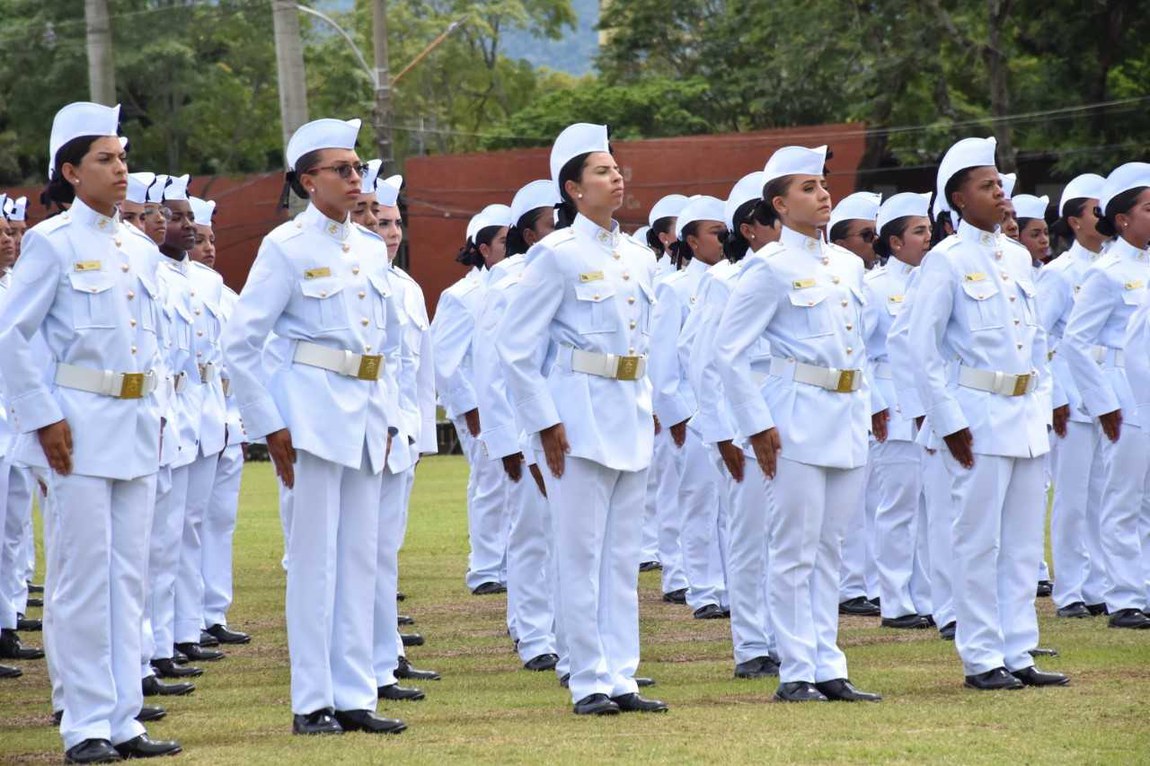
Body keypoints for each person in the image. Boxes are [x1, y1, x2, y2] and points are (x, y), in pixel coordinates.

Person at [0, 101, 182, 762]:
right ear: (71, 172)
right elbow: (12, 336)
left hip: (134, 423)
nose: (121, 169)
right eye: (105, 159)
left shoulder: (139, 247)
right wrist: (42, 415)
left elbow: (153, 344)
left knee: (128, 576)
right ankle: (83, 724)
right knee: (80, 578)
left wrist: (159, 410)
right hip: (74, 424)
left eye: (124, 157)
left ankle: (124, 717)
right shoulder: (52, 243)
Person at [222, 117, 407, 735]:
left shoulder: (372, 247)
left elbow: (386, 344)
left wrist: (389, 416)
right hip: (309, 418)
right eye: (342, 170)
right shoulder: (286, 246)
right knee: (312, 562)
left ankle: (355, 694)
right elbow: (241, 343)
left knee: (359, 558)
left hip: (365, 415)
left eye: (358, 168)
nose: (356, 180)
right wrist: (269, 423)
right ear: (308, 180)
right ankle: (311, 701)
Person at [497, 123, 666, 716]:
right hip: (576, 416)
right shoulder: (555, 256)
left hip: (628, 409)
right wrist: (543, 421)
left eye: (616, 167)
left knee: (622, 557)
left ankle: (623, 675)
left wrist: (650, 407)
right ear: (572, 188)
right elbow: (517, 348)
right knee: (579, 552)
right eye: (601, 170)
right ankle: (588, 678)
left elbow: (643, 346)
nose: (615, 176)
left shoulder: (641, 256)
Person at [715, 145, 881, 704]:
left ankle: (827, 662)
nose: (823, 193)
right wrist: (756, 425)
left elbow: (863, 347)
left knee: (831, 548)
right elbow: (728, 353)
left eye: (823, 184)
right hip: (793, 417)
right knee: (793, 550)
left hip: (846, 415)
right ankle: (796, 671)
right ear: (780, 206)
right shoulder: (768, 268)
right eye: (807, 188)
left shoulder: (849, 264)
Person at [908, 136, 1066, 690]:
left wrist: (1042, 405)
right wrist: (947, 421)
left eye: (1000, 184)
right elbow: (918, 349)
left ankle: (1019, 650)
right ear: (958, 198)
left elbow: (1039, 340)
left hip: (1024, 417)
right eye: (987, 186)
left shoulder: (1019, 256)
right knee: (977, 542)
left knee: (1024, 545)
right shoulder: (944, 262)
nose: (1000, 194)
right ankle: (980, 657)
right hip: (975, 416)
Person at [685, 170, 782, 678]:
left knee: (788, 541)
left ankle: (784, 637)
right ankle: (752, 646)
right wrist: (722, 436)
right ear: (751, 227)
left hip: (788, 423)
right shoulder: (725, 283)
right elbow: (702, 361)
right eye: (777, 221)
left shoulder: (798, 272)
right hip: (742, 434)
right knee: (748, 540)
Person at [475, 179, 561, 673]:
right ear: (529, 235)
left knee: (573, 540)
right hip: (528, 431)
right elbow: (493, 371)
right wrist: (510, 445)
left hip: (570, 424)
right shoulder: (507, 284)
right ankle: (533, 635)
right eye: (552, 224)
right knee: (531, 534)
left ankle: (567, 634)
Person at [1061, 162, 1150, 630]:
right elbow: (1076, 341)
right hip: (1122, 392)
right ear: (1122, 219)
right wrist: (1102, 403)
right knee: (1121, 500)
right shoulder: (1108, 271)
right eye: (1149, 208)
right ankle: (1124, 598)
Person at [367, 170, 442, 688]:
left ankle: (385, 653)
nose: (391, 231)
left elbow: (420, 371)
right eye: (379, 221)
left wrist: (421, 437)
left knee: (384, 552)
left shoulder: (408, 288)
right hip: (362, 430)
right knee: (359, 552)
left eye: (396, 223)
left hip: (402, 435)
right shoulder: (358, 281)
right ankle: (369, 660)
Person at [652, 195, 731, 620]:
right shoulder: (675, 288)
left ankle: (732, 586)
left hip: (732, 410)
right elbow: (664, 360)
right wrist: (678, 414)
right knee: (699, 501)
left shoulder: (739, 278)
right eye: (715, 234)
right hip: (695, 412)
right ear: (690, 240)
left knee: (733, 506)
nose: (723, 241)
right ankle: (703, 588)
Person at [431, 206, 514, 596]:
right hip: (480, 408)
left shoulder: (515, 283)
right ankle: (485, 568)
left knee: (515, 485)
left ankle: (510, 563)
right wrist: (472, 410)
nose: (511, 246)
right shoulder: (461, 296)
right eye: (503, 241)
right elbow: (445, 362)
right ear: (483, 249)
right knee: (489, 482)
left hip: (512, 404)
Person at [1037, 173, 1110, 619]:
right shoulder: (1060, 275)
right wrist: (1057, 396)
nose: (1103, 219)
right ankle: (1070, 590)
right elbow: (1040, 341)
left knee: (1109, 496)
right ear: (1075, 221)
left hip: (1113, 397)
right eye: (1095, 211)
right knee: (1072, 497)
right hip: (1075, 401)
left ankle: (1103, 584)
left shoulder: (1120, 267)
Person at [862, 192, 935, 629]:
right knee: (897, 507)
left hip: (929, 405)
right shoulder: (876, 288)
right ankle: (894, 600)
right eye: (918, 232)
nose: (928, 238)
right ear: (894, 242)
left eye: (928, 229)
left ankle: (926, 596)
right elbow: (860, 353)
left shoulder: (933, 280)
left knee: (930, 508)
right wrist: (875, 404)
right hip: (892, 407)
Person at [826, 191, 884, 618]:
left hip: (854, 405)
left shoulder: (855, 278)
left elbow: (860, 353)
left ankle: (860, 584)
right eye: (867, 236)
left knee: (858, 511)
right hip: (808, 410)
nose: (874, 244)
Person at [643, 193, 692, 604]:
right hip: (672, 397)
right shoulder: (663, 280)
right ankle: (676, 572)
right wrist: (667, 407)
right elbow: (659, 350)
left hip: (711, 401)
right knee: (672, 487)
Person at [1013, 195, 1052, 268]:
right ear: (1016, 236)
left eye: (1046, 233)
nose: (1044, 240)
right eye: (1035, 235)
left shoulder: (1046, 271)